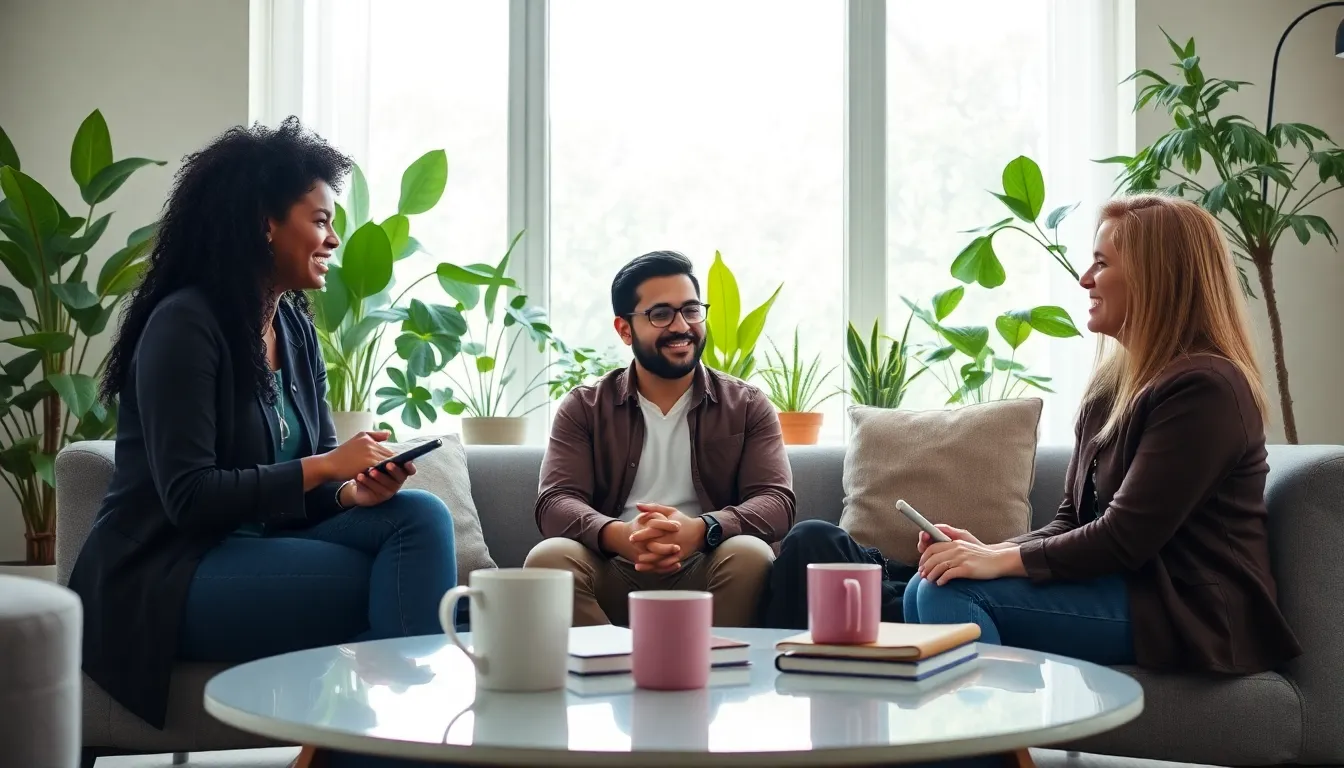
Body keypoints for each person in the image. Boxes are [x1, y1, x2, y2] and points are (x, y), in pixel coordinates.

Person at [67, 118, 458, 734]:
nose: (333, 238)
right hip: (168, 571)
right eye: (321, 219)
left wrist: (352, 490)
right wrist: (326, 468)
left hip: (258, 547)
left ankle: (369, 749)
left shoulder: (294, 327)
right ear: (264, 222)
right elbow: (189, 497)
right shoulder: (184, 325)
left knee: (421, 519)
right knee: (398, 588)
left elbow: (317, 486)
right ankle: (394, 746)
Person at [901, 194, 1301, 672]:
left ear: (1156, 277)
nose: (1084, 279)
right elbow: (1072, 521)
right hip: (1127, 588)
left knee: (955, 595)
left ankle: (997, 742)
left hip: (1189, 608)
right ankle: (986, 740)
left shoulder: (1206, 389)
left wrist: (997, 563)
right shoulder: (1111, 390)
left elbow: (1124, 538)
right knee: (929, 583)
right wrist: (990, 551)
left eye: (1101, 263)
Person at [525, 250, 795, 627]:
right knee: (547, 559)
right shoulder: (584, 406)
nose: (681, 326)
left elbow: (777, 502)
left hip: (706, 564)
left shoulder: (746, 404)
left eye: (691, 310)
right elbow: (554, 502)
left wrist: (702, 530)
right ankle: (613, 668)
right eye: (661, 314)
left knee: (750, 554)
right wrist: (620, 535)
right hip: (614, 567)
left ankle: (710, 672)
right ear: (624, 329)